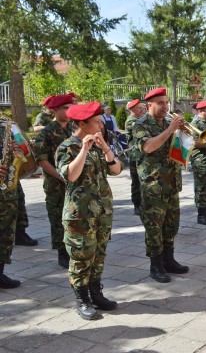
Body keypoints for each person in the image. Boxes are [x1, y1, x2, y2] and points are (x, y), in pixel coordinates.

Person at [55, 101, 122, 320]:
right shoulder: (67, 147)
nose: (101, 124)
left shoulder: (99, 144)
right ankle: (82, 299)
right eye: (96, 121)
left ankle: (96, 293)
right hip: (80, 215)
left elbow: (117, 169)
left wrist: (105, 148)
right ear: (82, 123)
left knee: (98, 255)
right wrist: (83, 149)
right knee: (81, 257)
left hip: (102, 213)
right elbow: (70, 175)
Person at [133, 87, 189, 283]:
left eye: (166, 102)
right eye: (160, 103)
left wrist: (184, 134)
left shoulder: (167, 122)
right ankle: (155, 265)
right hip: (153, 185)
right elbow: (148, 146)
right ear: (149, 105)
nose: (165, 106)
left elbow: (184, 145)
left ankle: (169, 259)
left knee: (171, 225)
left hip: (172, 183)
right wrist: (170, 129)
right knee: (154, 227)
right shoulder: (141, 124)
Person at [34, 94, 76, 268]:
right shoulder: (47, 132)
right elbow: (41, 160)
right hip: (55, 183)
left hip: (72, 181)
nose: (69, 111)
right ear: (55, 110)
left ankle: (72, 248)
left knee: (72, 216)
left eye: (70, 108)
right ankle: (61, 252)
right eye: (65, 108)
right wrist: (60, 175)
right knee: (57, 217)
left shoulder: (72, 129)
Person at [0, 119, 23, 288]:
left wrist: (16, 149)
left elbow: (24, 150)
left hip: (5, 191)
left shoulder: (5, 125)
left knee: (5, 235)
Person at [190, 100, 206, 225]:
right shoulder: (195, 124)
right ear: (200, 111)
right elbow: (195, 142)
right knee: (201, 186)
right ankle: (201, 214)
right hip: (200, 159)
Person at [124, 99, 146, 215]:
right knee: (136, 181)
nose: (142, 110)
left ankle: (143, 202)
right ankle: (137, 204)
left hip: (142, 155)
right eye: (139, 108)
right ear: (132, 110)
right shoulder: (131, 121)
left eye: (142, 108)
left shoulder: (139, 120)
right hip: (135, 156)